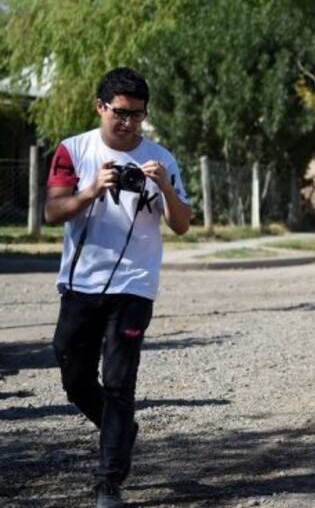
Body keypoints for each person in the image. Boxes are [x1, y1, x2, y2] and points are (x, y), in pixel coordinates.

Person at [45, 68, 192, 508]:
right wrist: (91, 190)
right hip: (80, 282)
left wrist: (163, 185)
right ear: (101, 107)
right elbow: (53, 212)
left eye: (137, 116)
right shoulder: (73, 149)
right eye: (121, 113)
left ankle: (109, 480)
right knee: (73, 375)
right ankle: (121, 428)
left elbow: (182, 224)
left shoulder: (161, 158)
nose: (128, 124)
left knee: (119, 382)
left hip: (134, 286)